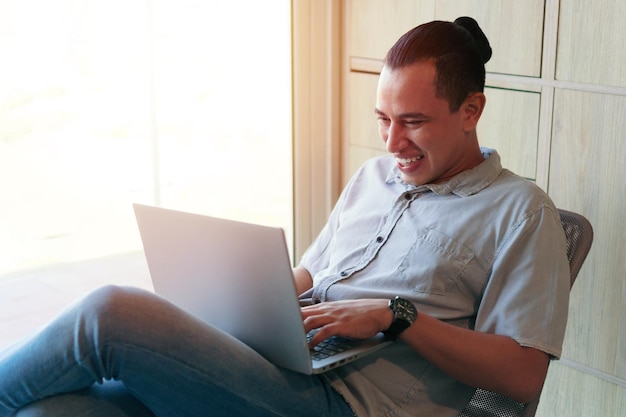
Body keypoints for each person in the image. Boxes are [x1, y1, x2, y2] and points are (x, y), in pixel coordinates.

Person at [0, 17, 570, 417]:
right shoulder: (373, 180)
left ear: (471, 111)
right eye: (383, 119)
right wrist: (228, 300)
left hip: (346, 404)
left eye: (413, 121)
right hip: (281, 366)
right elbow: (307, 277)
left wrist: (394, 316)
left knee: (110, 313)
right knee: (52, 409)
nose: (392, 141)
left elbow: (522, 374)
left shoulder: (520, 212)